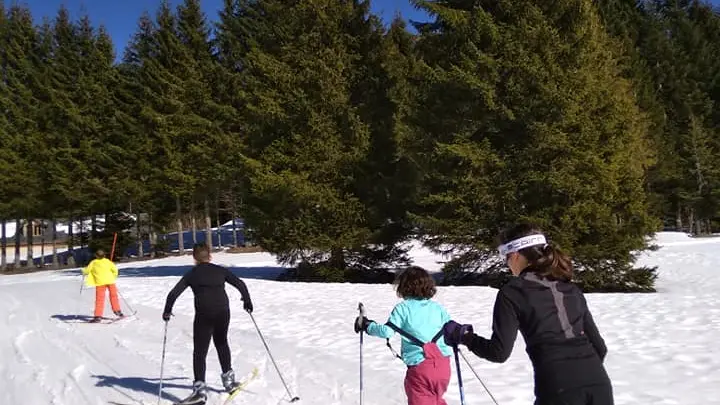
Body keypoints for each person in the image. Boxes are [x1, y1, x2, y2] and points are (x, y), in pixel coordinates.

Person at [444, 223, 613, 405]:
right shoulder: (570, 288)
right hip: (598, 384)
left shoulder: (513, 292)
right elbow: (600, 348)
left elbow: (498, 352)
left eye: (505, 258)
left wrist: (465, 337)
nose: (507, 264)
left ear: (515, 256)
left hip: (557, 387)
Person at [162, 243, 254, 405]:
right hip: (222, 313)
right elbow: (240, 283)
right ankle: (229, 382)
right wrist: (247, 301)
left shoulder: (192, 274)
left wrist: (167, 311)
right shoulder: (220, 270)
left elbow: (173, 294)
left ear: (194, 258)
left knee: (200, 352)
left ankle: (199, 391)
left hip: (204, 315)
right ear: (209, 256)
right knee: (221, 343)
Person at [355, 266, 453, 405]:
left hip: (421, 368)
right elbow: (450, 329)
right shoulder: (437, 308)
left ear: (404, 286)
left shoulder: (403, 308)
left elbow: (387, 331)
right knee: (436, 400)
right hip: (443, 366)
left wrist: (367, 325)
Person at [82, 249, 124, 323]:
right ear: (104, 255)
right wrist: (113, 277)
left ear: (96, 256)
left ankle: (98, 316)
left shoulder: (93, 262)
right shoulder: (108, 261)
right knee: (113, 296)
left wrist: (83, 270)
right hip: (110, 281)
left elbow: (87, 271)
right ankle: (117, 311)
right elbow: (115, 270)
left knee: (100, 299)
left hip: (100, 283)